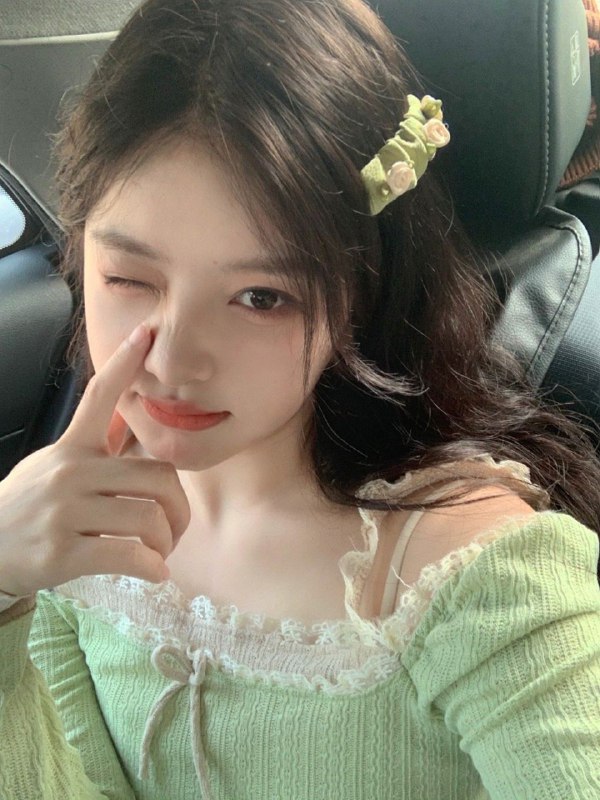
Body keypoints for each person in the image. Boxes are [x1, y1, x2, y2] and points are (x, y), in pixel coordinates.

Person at [1, 0, 599, 797]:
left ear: (359, 295)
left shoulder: (476, 581)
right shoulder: (68, 520)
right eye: (130, 278)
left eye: (262, 297)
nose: (173, 362)